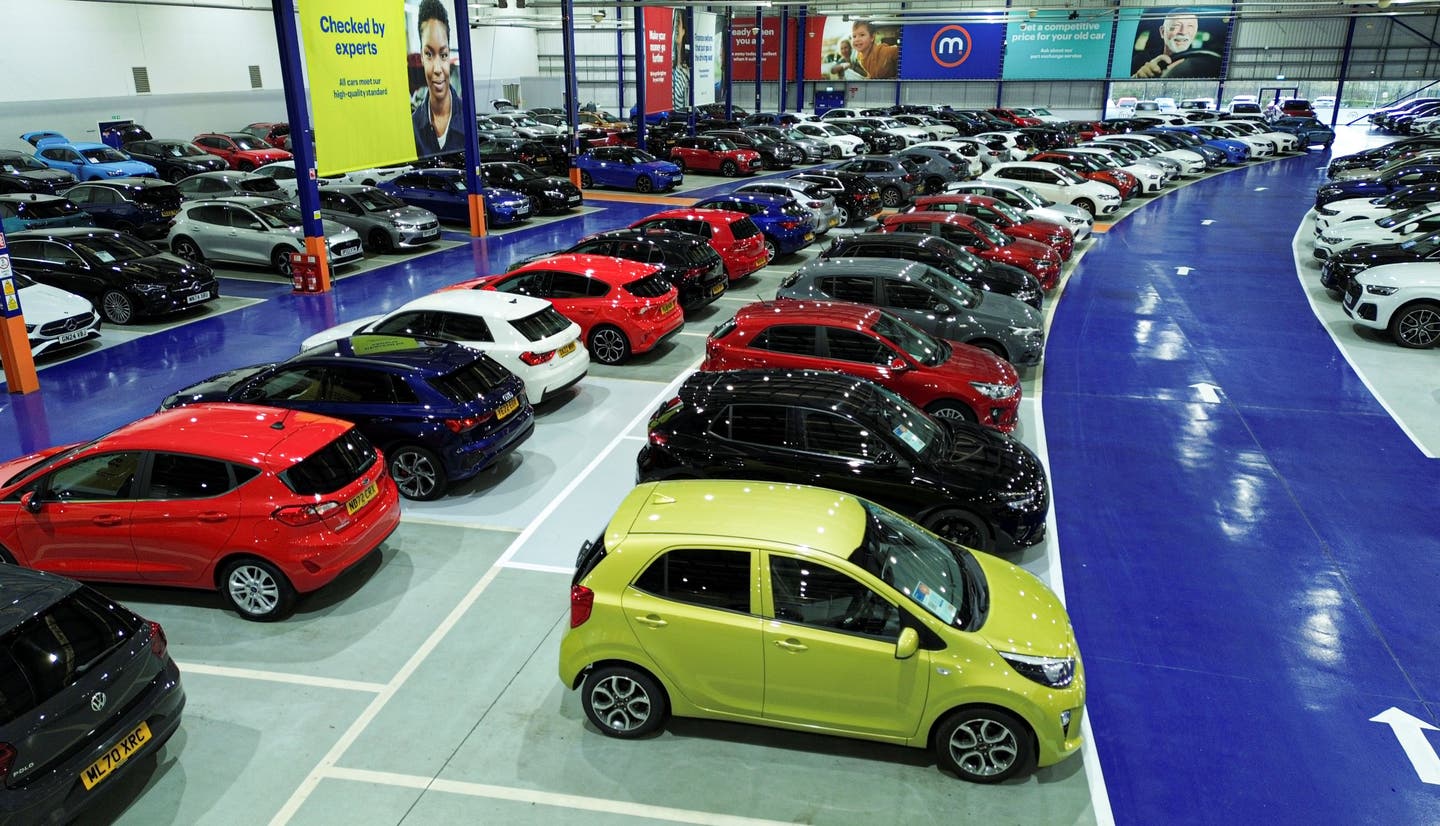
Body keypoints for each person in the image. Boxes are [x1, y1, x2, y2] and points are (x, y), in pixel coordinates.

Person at [412, 0, 465, 158]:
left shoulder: (468, 120)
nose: (437, 69)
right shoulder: (412, 128)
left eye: (443, 55)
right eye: (429, 54)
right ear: (421, 57)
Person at [1132, 10, 1201, 78]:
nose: (1183, 32)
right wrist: (1137, 77)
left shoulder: (1202, 62)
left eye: (1190, 26)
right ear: (1162, 32)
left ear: (1195, 33)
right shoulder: (1141, 60)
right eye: (1176, 26)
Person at [672, 10, 691, 109]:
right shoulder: (671, 69)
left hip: (682, 114)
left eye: (678, 22)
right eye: (674, 24)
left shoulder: (687, 71)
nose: (675, 27)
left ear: (683, 31)